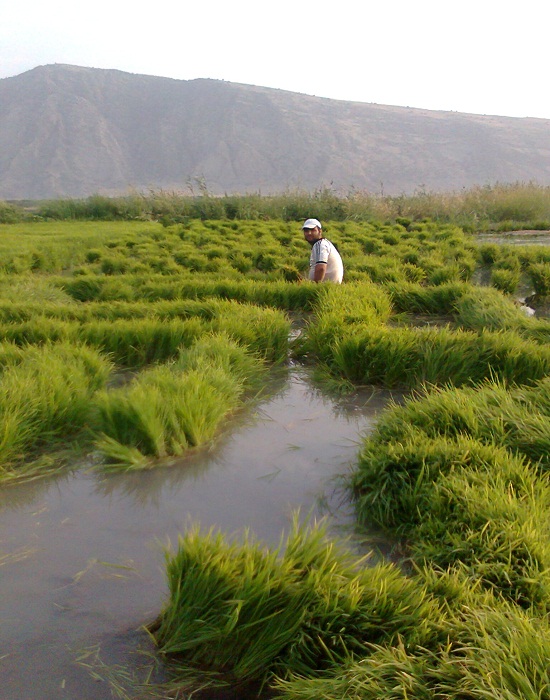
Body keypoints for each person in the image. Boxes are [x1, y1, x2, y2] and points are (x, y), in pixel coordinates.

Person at [302, 218, 343, 283]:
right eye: (306, 231)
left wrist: (315, 286)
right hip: (330, 287)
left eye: (313, 230)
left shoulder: (320, 245)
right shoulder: (324, 243)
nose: (309, 233)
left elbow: (321, 268)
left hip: (325, 287)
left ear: (320, 231)